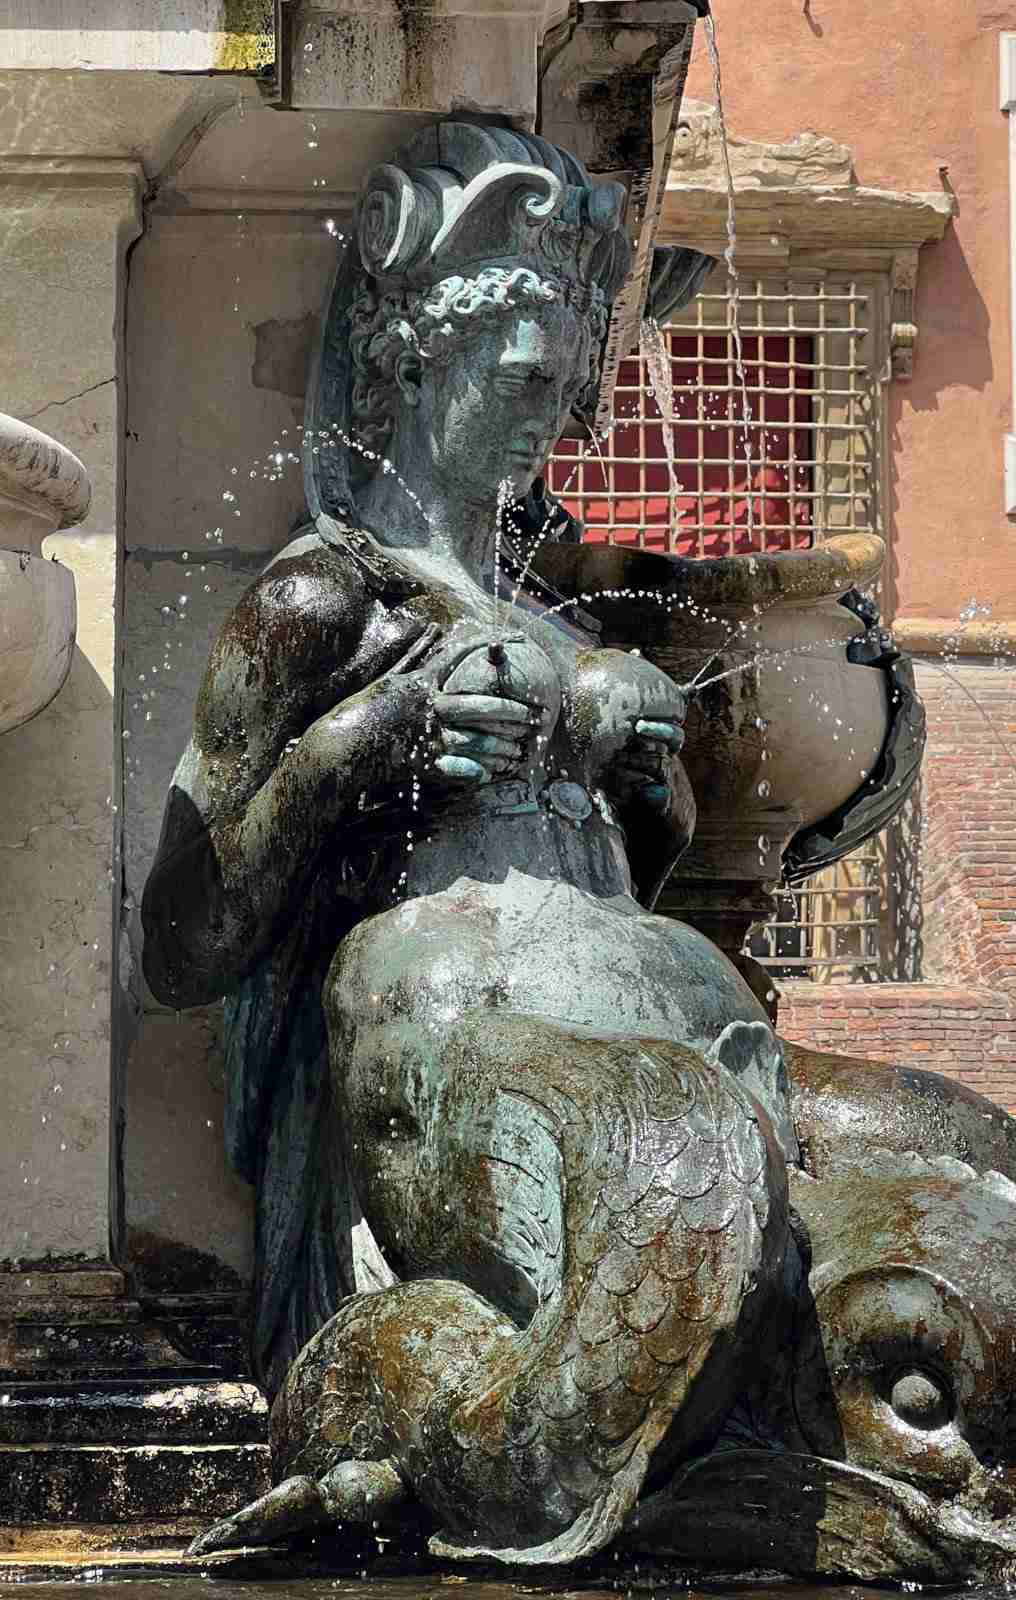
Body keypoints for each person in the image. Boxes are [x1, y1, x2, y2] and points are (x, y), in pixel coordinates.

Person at [144, 123, 795, 1562]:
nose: (545, 412)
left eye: (565, 381)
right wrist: (351, 754)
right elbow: (181, 941)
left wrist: (645, 791)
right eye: (516, 374)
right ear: (412, 361)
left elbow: (625, 883)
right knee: (659, 1177)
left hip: (606, 1018)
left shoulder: (562, 619)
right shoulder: (328, 605)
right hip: (444, 1052)